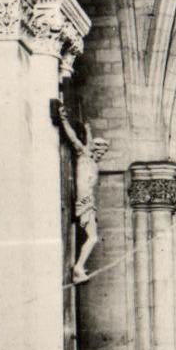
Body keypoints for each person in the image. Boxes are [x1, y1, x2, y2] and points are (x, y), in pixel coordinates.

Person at [57, 100, 109, 282]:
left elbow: (87, 140)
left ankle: (79, 266)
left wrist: (88, 129)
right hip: (84, 201)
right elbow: (74, 139)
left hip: (88, 201)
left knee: (92, 236)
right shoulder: (85, 155)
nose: (102, 155)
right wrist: (63, 121)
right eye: (101, 150)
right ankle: (78, 268)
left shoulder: (91, 160)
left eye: (104, 152)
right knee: (93, 238)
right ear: (94, 148)